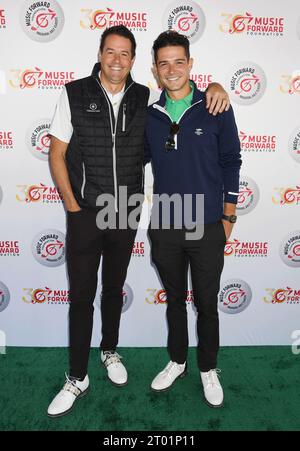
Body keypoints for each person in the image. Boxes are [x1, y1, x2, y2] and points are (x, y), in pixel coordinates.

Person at [47, 25, 230, 418]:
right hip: (94, 212)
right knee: (84, 297)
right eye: (110, 52)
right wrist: (72, 205)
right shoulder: (79, 94)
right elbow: (58, 153)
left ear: (134, 60)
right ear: (99, 54)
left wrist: (216, 84)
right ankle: (79, 376)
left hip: (132, 209)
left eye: (124, 53)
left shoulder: (146, 99)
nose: (116, 60)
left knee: (117, 289)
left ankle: (119, 353)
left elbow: (220, 155)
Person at [145, 31, 242, 408]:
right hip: (166, 224)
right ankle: (178, 360)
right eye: (164, 63)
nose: (172, 70)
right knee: (174, 301)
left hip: (206, 225)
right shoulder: (150, 116)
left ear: (190, 64)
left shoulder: (215, 105)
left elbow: (231, 161)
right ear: (155, 70)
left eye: (178, 61)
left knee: (206, 302)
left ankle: (207, 367)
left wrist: (229, 215)